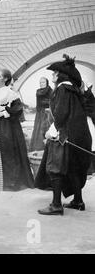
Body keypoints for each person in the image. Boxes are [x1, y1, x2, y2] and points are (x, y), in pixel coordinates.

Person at [36, 55, 91, 215]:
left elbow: (61, 114)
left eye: (54, 73)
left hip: (65, 136)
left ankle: (56, 205)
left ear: (61, 75)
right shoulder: (73, 89)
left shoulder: (62, 89)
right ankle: (78, 201)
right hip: (78, 135)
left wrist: (50, 132)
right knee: (73, 168)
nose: (52, 75)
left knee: (55, 168)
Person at [29, 77, 53, 152]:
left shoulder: (50, 91)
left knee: (45, 128)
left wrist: (47, 105)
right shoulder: (38, 91)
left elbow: (52, 101)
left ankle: (46, 148)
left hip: (47, 112)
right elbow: (38, 103)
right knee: (37, 129)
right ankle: (38, 148)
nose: (41, 84)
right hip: (39, 113)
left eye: (43, 82)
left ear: (47, 83)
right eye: (40, 82)